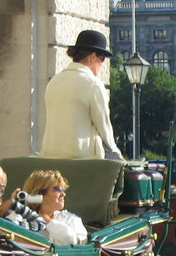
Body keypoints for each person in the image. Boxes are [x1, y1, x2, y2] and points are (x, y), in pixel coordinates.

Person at [40, 30, 125, 160]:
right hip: (82, 160)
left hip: (49, 156)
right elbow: (104, 129)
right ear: (92, 56)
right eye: (102, 58)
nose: (102, 64)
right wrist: (118, 155)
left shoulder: (54, 81)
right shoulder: (93, 84)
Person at [22, 170, 88, 245]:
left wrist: (46, 219)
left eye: (62, 190)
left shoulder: (71, 220)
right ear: (39, 193)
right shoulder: (22, 218)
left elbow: (72, 241)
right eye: (57, 189)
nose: (63, 194)